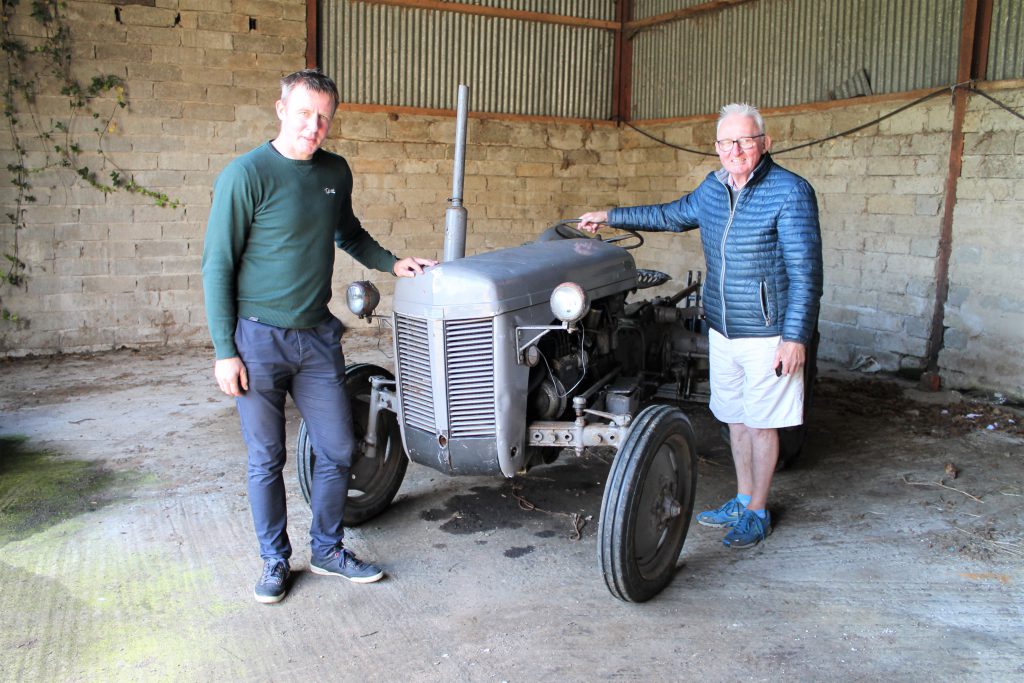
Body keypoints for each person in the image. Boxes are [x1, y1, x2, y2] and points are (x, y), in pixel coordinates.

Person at [202, 69, 436, 603]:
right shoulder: (247, 175)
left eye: (324, 117)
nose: (314, 126)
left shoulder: (334, 172)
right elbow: (217, 266)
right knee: (267, 459)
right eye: (305, 113)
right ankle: (274, 561)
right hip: (257, 340)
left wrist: (392, 262)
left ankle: (328, 551)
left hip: (316, 339)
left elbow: (347, 232)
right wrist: (224, 351)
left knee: (336, 447)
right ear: (281, 109)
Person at [578, 102, 822, 548]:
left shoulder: (790, 192)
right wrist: (610, 214)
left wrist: (795, 337)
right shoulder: (712, 190)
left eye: (746, 140)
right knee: (736, 419)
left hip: (769, 332)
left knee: (763, 424)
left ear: (765, 143)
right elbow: (667, 215)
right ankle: (743, 496)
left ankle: (758, 510)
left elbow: (807, 272)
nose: (737, 149)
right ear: (717, 148)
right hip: (723, 329)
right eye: (728, 142)